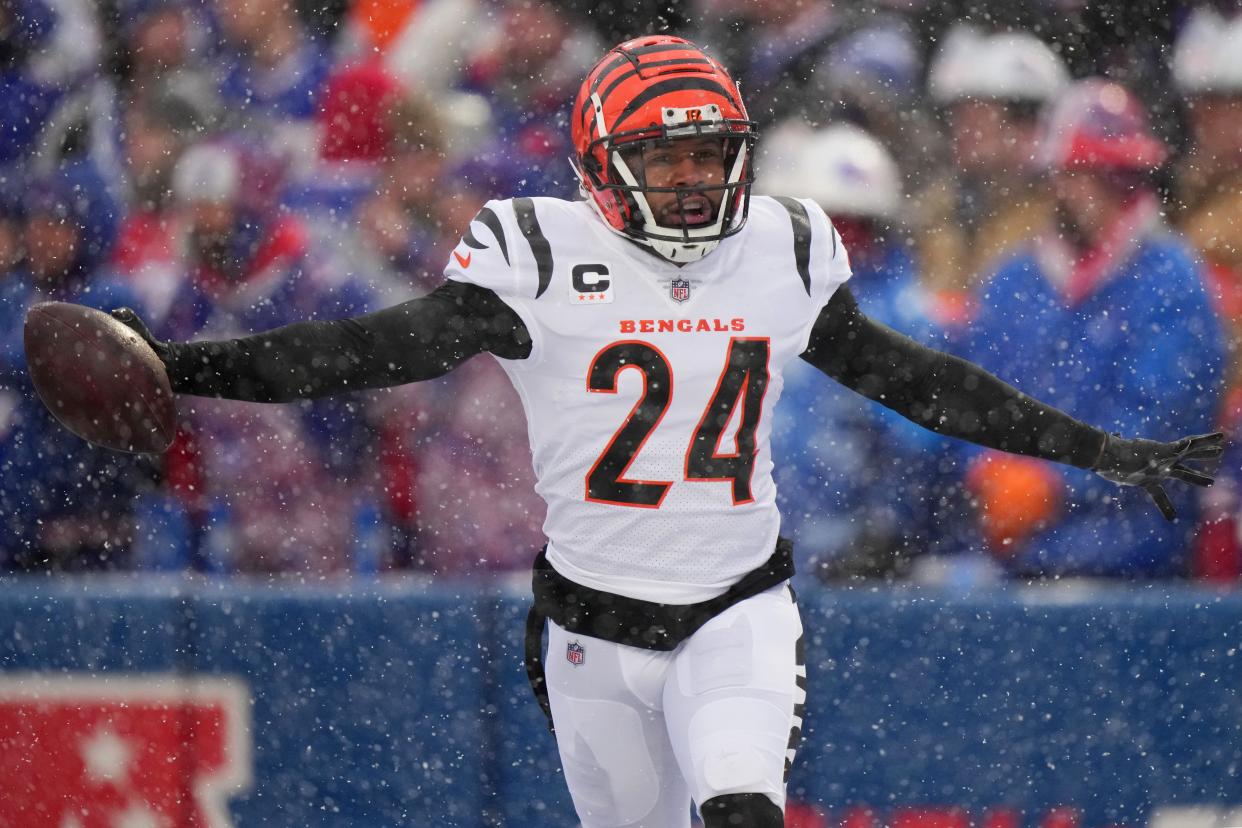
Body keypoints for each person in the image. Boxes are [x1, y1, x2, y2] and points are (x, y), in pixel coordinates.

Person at [101, 36, 1221, 827]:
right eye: (664, 158)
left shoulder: (776, 251)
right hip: (591, 625)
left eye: (707, 155)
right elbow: (361, 351)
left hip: (739, 603)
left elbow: (916, 381)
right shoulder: (538, 259)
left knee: (741, 805)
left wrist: (1095, 451)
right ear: (600, 167)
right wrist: (182, 367)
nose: (693, 182)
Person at [940, 78, 1226, 578]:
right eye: (1081, 173)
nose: (1096, 191)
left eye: (1116, 175)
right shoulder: (1013, 281)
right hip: (1009, 561)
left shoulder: (1173, 279)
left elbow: (1161, 417)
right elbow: (969, 395)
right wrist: (986, 471)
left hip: (1138, 567)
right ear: (1053, 178)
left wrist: (1055, 483)